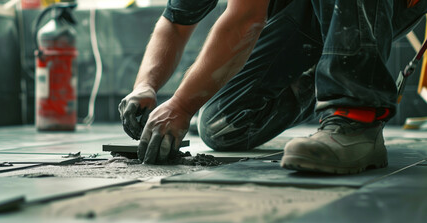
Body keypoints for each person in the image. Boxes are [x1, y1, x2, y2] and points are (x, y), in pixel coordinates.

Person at [119, 0, 427, 174]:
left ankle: (356, 117)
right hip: (308, 13)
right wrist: (145, 86)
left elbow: (244, 19)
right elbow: (174, 23)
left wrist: (181, 105)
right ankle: (320, 77)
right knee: (224, 124)